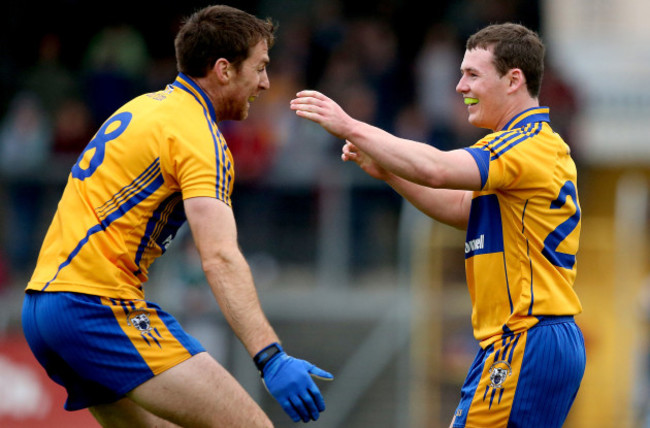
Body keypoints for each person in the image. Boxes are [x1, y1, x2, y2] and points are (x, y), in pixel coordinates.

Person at [21, 5, 332, 427]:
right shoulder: (198, 135)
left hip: (42, 305)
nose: (265, 82)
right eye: (259, 68)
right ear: (223, 69)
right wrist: (271, 357)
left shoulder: (145, 108)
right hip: (94, 305)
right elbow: (220, 256)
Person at [291, 22, 585, 428]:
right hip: (534, 338)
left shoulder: (524, 142)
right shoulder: (528, 148)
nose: (460, 86)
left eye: (472, 75)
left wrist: (350, 125)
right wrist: (390, 173)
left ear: (514, 80)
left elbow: (435, 169)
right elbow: (461, 206)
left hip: (524, 337)